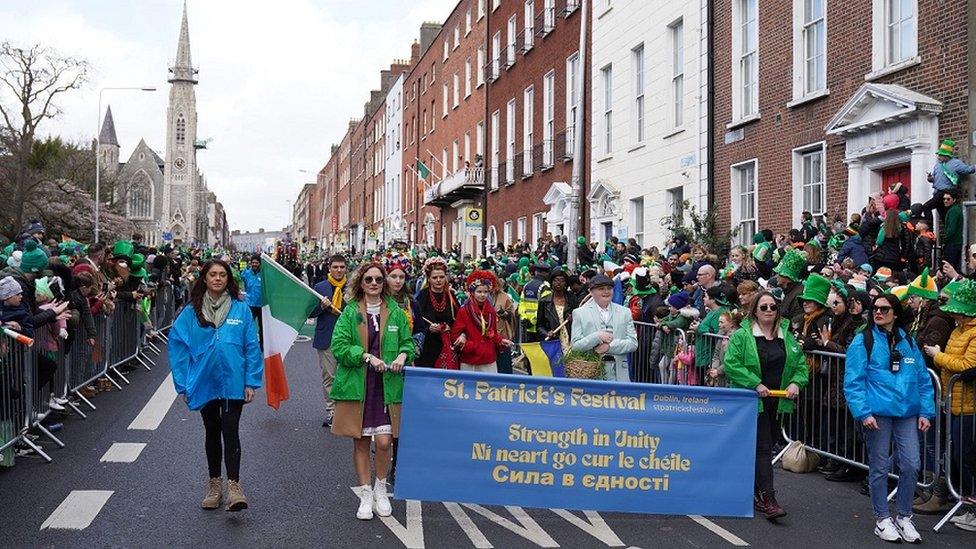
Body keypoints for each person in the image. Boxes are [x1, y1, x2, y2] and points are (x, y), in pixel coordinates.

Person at [168, 260, 263, 512]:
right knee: (212, 430)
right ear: (205, 278)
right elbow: (177, 346)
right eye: (213, 274)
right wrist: (183, 384)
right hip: (204, 381)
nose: (218, 278)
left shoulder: (241, 309)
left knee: (230, 430)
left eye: (222, 274)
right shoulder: (191, 311)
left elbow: (251, 346)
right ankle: (214, 486)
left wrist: (251, 380)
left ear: (228, 279)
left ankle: (234, 487)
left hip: (233, 380)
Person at [845, 293, 934, 543]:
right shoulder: (863, 340)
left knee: (911, 464)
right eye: (875, 308)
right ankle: (882, 518)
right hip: (877, 415)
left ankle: (904, 516)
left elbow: (923, 379)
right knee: (880, 467)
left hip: (907, 413)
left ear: (895, 312)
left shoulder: (908, 340)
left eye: (884, 309)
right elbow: (853, 381)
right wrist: (863, 413)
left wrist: (926, 411)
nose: (878, 313)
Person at [329, 262, 414, 520]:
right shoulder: (351, 312)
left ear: (384, 283)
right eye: (369, 280)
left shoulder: (396, 312)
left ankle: (380, 488)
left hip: (388, 385)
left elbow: (408, 344)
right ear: (361, 283)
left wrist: (402, 355)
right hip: (359, 385)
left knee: (386, 441)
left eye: (379, 279)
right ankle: (365, 493)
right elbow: (339, 346)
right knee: (362, 440)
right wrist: (366, 356)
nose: (374, 283)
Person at [723, 291, 807, 519]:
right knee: (762, 448)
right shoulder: (742, 336)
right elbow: (731, 364)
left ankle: (752, 491)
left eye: (773, 307)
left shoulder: (786, 337)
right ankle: (768, 498)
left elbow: (800, 365)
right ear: (755, 311)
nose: (769, 311)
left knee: (762, 447)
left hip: (776, 403)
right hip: (751, 402)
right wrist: (755, 383)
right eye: (764, 307)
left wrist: (796, 383)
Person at [923, 278, 976, 525]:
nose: (953, 315)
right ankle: (965, 504)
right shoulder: (957, 330)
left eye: (956, 311)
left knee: (964, 456)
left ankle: (972, 508)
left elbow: (967, 365)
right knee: (955, 455)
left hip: (968, 405)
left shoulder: (974, 332)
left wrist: (938, 356)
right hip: (951, 399)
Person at [570, 274, 638, 382]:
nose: (606, 292)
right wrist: (597, 336)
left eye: (609, 288)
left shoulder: (625, 312)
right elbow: (575, 346)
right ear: (591, 292)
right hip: (591, 375)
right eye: (601, 289)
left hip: (620, 376)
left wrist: (609, 347)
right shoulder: (579, 313)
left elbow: (633, 343)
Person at [310, 254, 348, 427]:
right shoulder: (320, 287)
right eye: (335, 267)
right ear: (329, 268)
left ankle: (347, 410)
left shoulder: (353, 288)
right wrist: (321, 307)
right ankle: (332, 411)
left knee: (348, 375)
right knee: (329, 376)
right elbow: (309, 313)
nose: (339, 270)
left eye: (342, 267)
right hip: (327, 337)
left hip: (349, 338)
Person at [452, 270, 514, 373]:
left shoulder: (491, 311)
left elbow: (493, 332)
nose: (482, 295)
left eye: (485, 292)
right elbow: (455, 334)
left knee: (490, 387)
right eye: (479, 292)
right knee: (469, 388)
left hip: (488, 358)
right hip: (470, 359)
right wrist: (467, 344)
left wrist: (501, 340)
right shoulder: (464, 311)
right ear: (472, 292)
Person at [416, 257, 458, 368]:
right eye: (435, 277)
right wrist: (428, 328)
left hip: (448, 345)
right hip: (428, 347)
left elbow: (458, 319)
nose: (438, 280)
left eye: (441, 277)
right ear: (428, 279)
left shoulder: (451, 296)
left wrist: (451, 328)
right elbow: (415, 320)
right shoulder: (422, 296)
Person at [538, 269, 579, 356]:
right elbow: (539, 326)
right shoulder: (544, 301)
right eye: (556, 280)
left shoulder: (572, 299)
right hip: (553, 341)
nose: (558, 283)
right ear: (551, 282)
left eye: (562, 280)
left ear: (566, 283)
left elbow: (580, 320)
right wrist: (546, 333)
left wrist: (573, 318)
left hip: (570, 339)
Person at [241, 255, 263, 342]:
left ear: (259, 264)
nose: (254, 264)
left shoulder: (264, 274)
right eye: (253, 262)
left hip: (261, 304)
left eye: (256, 263)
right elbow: (238, 280)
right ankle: (247, 343)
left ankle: (262, 345)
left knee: (262, 327)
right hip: (250, 304)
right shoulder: (246, 273)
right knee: (248, 326)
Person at [942, 190, 963, 271]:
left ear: (954, 200)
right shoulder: (954, 209)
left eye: (948, 199)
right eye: (944, 199)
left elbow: (951, 229)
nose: (945, 201)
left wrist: (944, 240)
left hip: (952, 244)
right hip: (955, 243)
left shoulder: (953, 210)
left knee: (949, 269)